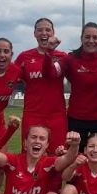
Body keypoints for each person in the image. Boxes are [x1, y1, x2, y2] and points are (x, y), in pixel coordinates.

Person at [15, 18, 68, 152]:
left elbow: (53, 73)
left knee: (58, 154)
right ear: (34, 34)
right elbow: (11, 78)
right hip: (33, 114)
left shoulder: (62, 56)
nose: (44, 33)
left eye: (47, 30)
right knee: (30, 154)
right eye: (40, 30)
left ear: (53, 33)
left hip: (56, 116)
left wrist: (49, 52)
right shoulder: (24, 57)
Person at [63, 23, 97, 152]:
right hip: (76, 119)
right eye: (87, 37)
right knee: (74, 159)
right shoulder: (71, 59)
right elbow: (54, 74)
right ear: (81, 38)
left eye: (95, 37)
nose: (91, 41)